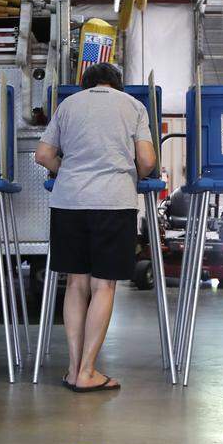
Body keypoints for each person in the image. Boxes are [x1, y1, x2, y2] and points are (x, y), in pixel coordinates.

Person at [35, 63, 157, 393]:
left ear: (84, 85)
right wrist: (133, 175)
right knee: (103, 286)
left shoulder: (68, 105)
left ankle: (73, 369)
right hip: (113, 204)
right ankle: (88, 372)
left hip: (69, 202)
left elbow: (43, 154)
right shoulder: (133, 106)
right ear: (117, 84)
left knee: (76, 284)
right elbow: (146, 161)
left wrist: (66, 169)